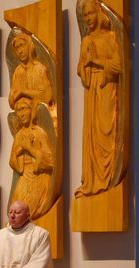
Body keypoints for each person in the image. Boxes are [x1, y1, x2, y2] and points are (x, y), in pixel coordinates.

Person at [75, 0, 122, 197]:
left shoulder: (110, 37)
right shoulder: (86, 41)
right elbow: (80, 69)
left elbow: (118, 66)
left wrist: (96, 61)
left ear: (99, 13)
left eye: (91, 13)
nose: (88, 18)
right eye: (85, 15)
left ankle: (107, 178)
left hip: (107, 88)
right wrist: (85, 65)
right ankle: (92, 182)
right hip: (91, 90)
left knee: (106, 132)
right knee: (92, 135)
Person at [9, 97, 54, 218]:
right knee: (16, 206)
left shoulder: (39, 133)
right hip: (24, 176)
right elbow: (12, 162)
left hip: (38, 176)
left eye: (24, 109)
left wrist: (30, 148)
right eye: (18, 111)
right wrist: (16, 154)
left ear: (32, 110)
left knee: (29, 209)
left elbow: (50, 161)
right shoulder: (19, 135)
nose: (21, 114)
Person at [8, 32, 54, 114]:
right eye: (17, 48)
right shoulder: (18, 71)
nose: (20, 51)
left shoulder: (39, 68)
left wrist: (23, 92)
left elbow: (47, 96)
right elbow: (11, 102)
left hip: (40, 113)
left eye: (22, 45)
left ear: (30, 46)